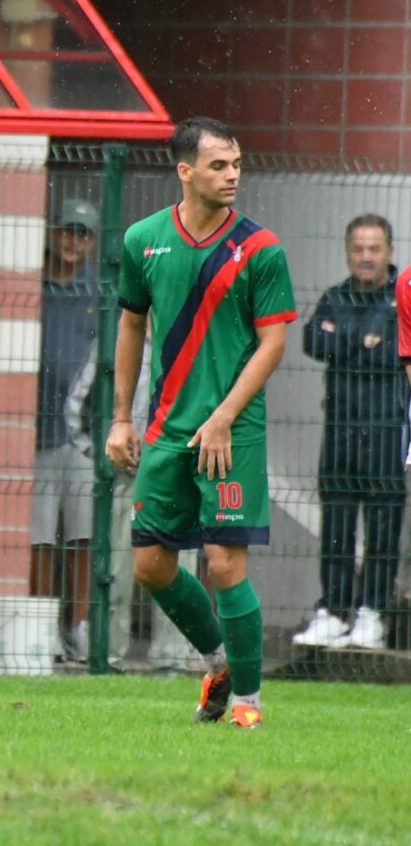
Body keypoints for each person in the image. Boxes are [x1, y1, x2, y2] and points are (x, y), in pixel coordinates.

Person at [106, 116, 295, 729]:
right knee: (150, 565)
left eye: (237, 163)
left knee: (223, 562)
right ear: (184, 170)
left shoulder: (262, 250)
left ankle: (248, 701)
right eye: (219, 165)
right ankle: (219, 662)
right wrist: (120, 419)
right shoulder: (143, 239)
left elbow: (273, 344)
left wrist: (223, 416)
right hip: (166, 429)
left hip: (232, 431)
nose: (232, 174)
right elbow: (132, 324)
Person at [294, 215, 406, 650]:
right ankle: (334, 612)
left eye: (374, 249)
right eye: (358, 248)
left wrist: (345, 340)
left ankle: (371, 615)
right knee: (337, 526)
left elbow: (395, 352)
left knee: (382, 529)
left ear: (389, 253)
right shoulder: (334, 296)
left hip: (387, 433)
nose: (365, 256)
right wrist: (363, 342)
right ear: (347, 251)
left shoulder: (402, 300)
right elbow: (311, 341)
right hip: (339, 433)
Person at [65, 338, 200, 671]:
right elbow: (77, 406)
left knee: (178, 570)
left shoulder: (199, 335)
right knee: (115, 570)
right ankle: (108, 657)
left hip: (179, 475)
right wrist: (104, 454)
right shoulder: (115, 338)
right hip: (126, 476)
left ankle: (172, 659)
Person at [30, 197, 100, 662]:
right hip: (32, 431)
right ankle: (39, 626)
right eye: (67, 231)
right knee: (38, 537)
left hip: (84, 436)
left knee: (80, 535)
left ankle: (76, 627)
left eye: (84, 234)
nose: (74, 241)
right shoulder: (31, 284)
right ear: (52, 232)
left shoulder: (102, 291)